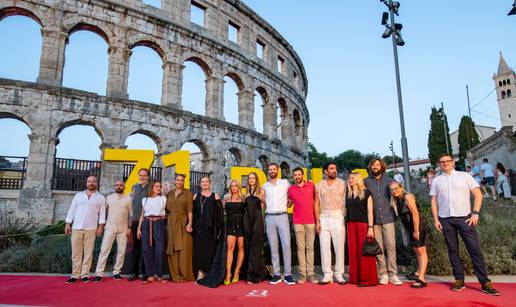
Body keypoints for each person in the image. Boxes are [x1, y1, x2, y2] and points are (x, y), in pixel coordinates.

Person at [430, 153, 500, 296]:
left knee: (474, 250)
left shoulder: (465, 176)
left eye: (447, 161)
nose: (445, 163)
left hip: (465, 218)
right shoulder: (437, 181)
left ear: (453, 162)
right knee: (453, 250)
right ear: (439, 164)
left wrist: (475, 213)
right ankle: (459, 280)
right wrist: (436, 219)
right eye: (441, 162)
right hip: (445, 219)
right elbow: (433, 201)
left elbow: (478, 194)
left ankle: (485, 282)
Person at [364, 158, 402, 285]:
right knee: (378, 248)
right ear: (370, 167)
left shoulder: (390, 181)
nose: (375, 166)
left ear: (382, 166)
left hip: (388, 218)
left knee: (391, 247)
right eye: (373, 165)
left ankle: (393, 274)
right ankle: (383, 273)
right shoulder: (366, 182)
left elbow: (399, 194)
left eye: (377, 164)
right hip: (374, 221)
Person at [64, 176, 106, 283]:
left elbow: (102, 214)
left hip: (91, 229)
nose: (91, 183)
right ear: (86, 183)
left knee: (88, 253)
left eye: (93, 181)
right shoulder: (78, 196)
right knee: (76, 253)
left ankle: (85, 275)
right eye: (89, 181)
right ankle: (75, 275)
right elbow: (72, 210)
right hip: (76, 228)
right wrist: (68, 224)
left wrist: (101, 227)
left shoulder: (101, 198)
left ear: (97, 183)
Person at [389, 181, 429, 288]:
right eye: (392, 189)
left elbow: (415, 213)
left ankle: (422, 278)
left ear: (401, 187)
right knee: (416, 249)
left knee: (421, 250)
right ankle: (418, 272)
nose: (394, 191)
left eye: (396, 188)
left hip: (419, 225)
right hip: (410, 226)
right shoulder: (397, 199)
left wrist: (416, 230)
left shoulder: (407, 197)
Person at [262, 163, 295, 285]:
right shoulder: (265, 186)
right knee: (273, 246)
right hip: (270, 217)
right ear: (268, 171)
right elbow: (264, 202)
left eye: (274, 169)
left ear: (278, 170)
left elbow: (292, 196)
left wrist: (288, 205)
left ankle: (288, 274)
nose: (272, 171)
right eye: (270, 169)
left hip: (282, 216)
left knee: (286, 244)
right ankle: (276, 274)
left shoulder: (285, 183)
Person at [314, 161, 347, 285]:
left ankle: (339, 274)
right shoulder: (319, 185)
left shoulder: (343, 184)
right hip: (324, 217)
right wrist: (317, 221)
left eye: (335, 168)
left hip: (338, 216)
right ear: (325, 171)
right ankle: (327, 274)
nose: (334, 171)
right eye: (331, 168)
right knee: (324, 247)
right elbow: (316, 204)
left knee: (339, 247)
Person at [94, 180, 132, 282]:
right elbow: (102, 212)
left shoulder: (129, 199)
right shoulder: (109, 198)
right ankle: (99, 273)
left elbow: (130, 215)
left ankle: (117, 272)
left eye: (121, 185)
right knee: (104, 250)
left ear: (124, 186)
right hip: (110, 227)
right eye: (117, 185)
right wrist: (100, 225)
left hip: (123, 228)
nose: (119, 186)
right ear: (115, 186)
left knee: (121, 251)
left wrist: (129, 227)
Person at [345, 172, 377, 287]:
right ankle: (355, 278)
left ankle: (367, 279)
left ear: (358, 179)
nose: (350, 180)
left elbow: (370, 211)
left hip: (363, 225)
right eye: (349, 178)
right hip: (350, 225)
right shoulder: (348, 194)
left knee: (364, 251)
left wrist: (370, 227)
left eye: (352, 178)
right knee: (353, 252)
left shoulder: (367, 193)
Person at [287, 167, 318, 284]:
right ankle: (302, 275)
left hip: (311, 221)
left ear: (303, 175)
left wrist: (318, 220)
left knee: (310, 248)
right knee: (300, 249)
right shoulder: (291, 189)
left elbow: (317, 202)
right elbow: (289, 204)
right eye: (295, 175)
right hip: (298, 222)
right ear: (293, 176)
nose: (297, 177)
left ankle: (311, 274)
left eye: (299, 175)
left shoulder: (311, 186)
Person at [165, 173, 194, 282]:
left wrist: (190, 223)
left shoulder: (188, 193)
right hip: (171, 223)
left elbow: (190, 210)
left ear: (184, 182)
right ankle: (175, 275)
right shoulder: (169, 194)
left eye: (181, 180)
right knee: (172, 248)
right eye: (177, 180)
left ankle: (185, 274)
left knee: (184, 249)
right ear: (174, 181)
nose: (179, 182)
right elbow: (166, 209)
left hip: (183, 222)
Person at [193, 176, 222, 281]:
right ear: (200, 184)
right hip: (198, 228)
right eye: (202, 182)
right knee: (198, 250)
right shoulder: (195, 196)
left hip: (211, 229)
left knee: (209, 251)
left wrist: (218, 229)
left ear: (210, 183)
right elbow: (192, 213)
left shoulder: (215, 196)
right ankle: (200, 272)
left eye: (206, 181)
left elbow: (220, 215)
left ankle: (208, 272)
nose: (204, 183)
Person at [137, 181, 167, 284]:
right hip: (146, 223)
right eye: (156, 186)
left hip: (158, 223)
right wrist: (138, 229)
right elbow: (142, 215)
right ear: (152, 187)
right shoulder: (145, 200)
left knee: (160, 249)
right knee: (146, 249)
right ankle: (150, 275)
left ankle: (159, 275)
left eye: (160, 186)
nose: (158, 188)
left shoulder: (163, 199)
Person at [244, 172, 268, 284]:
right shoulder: (246, 192)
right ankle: (252, 272)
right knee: (249, 246)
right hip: (247, 220)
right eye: (250, 178)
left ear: (256, 179)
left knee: (256, 246)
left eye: (253, 178)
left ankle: (253, 275)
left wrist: (264, 223)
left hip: (258, 220)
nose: (251, 180)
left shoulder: (261, 191)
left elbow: (266, 207)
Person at [127, 168, 151, 281]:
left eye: (144, 175)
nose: (142, 177)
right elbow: (130, 205)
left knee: (146, 248)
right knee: (135, 247)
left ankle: (146, 273)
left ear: (148, 177)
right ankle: (134, 272)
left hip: (147, 221)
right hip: (136, 221)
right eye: (140, 175)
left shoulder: (151, 188)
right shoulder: (134, 187)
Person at [223, 180, 246, 285]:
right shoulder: (226, 199)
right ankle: (228, 273)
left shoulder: (243, 198)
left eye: (236, 186)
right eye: (231, 186)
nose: (233, 187)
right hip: (230, 225)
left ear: (239, 187)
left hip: (241, 225)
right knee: (230, 248)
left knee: (241, 247)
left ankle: (237, 271)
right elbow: (219, 211)